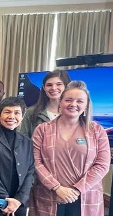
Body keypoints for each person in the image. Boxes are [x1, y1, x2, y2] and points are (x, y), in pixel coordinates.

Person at [29, 81, 110, 216]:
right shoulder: (42, 129)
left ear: (86, 105)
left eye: (79, 101)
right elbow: (35, 161)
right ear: (60, 102)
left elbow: (102, 165)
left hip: (85, 196)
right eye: (68, 100)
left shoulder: (96, 130)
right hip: (49, 195)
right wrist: (57, 188)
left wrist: (76, 190)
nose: (73, 104)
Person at [0, 97, 34, 216]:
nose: (12, 116)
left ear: (22, 117)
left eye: (17, 113)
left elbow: (30, 171)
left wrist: (19, 200)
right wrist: (5, 198)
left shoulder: (27, 141)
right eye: (7, 112)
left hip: (18, 202)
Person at [19, 69, 70, 138]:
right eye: (49, 85)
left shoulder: (74, 113)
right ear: (44, 88)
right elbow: (22, 140)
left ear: (66, 86)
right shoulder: (31, 112)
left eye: (59, 84)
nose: (54, 88)